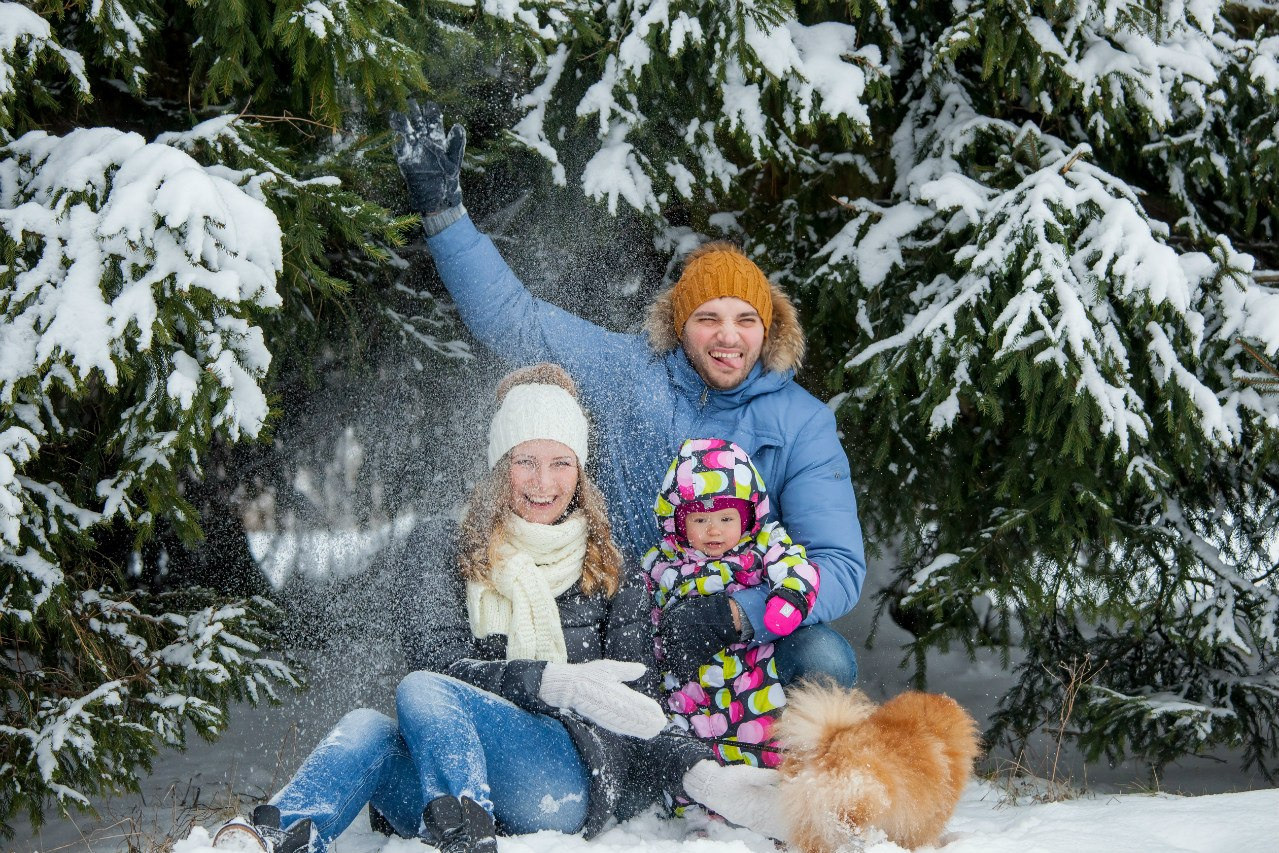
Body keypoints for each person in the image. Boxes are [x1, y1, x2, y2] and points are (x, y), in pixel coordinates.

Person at [210, 364, 786, 853]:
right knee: (370, 727)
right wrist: (551, 681)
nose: (543, 482)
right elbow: (436, 661)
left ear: (581, 473)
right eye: (524, 461)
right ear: (498, 465)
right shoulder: (445, 548)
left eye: (561, 463)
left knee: (420, 689)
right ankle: (268, 839)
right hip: (452, 774)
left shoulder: (614, 569)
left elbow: (641, 703)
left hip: (565, 779)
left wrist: (706, 776)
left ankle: (467, 829)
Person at [390, 103, 866, 689]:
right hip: (619, 613)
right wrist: (444, 217)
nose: (727, 336)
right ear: (678, 325)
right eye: (707, 317)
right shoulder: (629, 371)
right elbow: (516, 321)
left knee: (826, 660)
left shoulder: (802, 424)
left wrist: (735, 613)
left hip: (745, 626)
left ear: (768, 329)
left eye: (745, 319)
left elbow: (836, 566)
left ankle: (795, 778)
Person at [644, 438, 819, 773]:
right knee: (690, 750)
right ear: (678, 522)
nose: (714, 531)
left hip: (751, 674)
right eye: (699, 521)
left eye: (726, 519)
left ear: (748, 514)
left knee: (762, 737)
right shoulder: (663, 563)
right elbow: (647, 611)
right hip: (688, 683)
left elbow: (797, 566)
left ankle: (765, 794)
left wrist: (789, 599)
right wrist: (658, 644)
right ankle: (696, 808)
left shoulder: (761, 546)